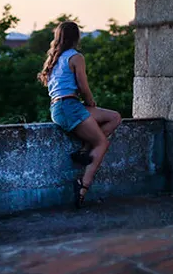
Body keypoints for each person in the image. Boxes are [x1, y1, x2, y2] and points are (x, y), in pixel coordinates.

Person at [38, 20, 121, 207]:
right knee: (102, 143)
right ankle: (83, 186)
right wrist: (91, 102)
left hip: (59, 108)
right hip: (69, 107)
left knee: (114, 117)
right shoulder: (76, 57)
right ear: (76, 37)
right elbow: (83, 87)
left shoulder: (53, 58)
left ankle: (84, 149)